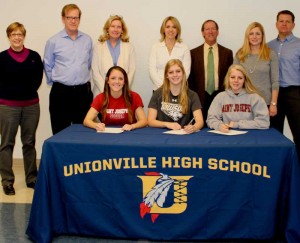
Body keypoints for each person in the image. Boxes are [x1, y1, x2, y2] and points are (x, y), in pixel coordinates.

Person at [0, 22, 43, 195]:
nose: (17, 37)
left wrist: (24, 91)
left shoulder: (34, 56)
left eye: (20, 34)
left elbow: (38, 80)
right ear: (8, 37)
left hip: (31, 106)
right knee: (6, 144)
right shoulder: (1, 58)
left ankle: (32, 178)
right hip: (8, 107)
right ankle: (7, 181)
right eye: (13, 34)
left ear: (24, 36)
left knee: (29, 143)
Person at [44, 4, 93, 135]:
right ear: (63, 18)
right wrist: (56, 82)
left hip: (83, 93)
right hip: (61, 93)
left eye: (76, 18)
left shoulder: (87, 40)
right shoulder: (53, 41)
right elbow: (48, 65)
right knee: (60, 132)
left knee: (84, 133)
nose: (73, 21)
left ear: (79, 19)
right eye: (69, 17)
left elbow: (88, 64)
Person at [268, 10, 300, 159]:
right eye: (281, 21)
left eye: (288, 21)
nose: (284, 24)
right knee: (274, 135)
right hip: (274, 94)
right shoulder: (268, 46)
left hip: (294, 93)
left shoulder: (299, 44)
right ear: (276, 24)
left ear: (293, 24)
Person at [188, 19, 233, 125]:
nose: (210, 31)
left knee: (220, 128)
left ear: (217, 32)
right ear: (202, 32)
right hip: (200, 98)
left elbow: (230, 77)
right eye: (207, 29)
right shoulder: (193, 53)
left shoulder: (227, 53)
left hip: (220, 96)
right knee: (200, 128)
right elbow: (191, 79)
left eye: (213, 29)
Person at [234, 22, 279, 127]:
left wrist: (273, 104)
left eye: (258, 34)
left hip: (265, 103)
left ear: (262, 36)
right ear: (247, 36)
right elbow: (233, 81)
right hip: (243, 103)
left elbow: (275, 81)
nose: (254, 37)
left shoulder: (270, 54)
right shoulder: (240, 54)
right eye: (251, 33)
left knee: (266, 138)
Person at [206, 64, 270, 132]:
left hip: (250, 136)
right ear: (228, 78)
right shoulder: (220, 97)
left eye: (240, 78)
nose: (236, 80)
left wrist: (237, 124)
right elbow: (211, 119)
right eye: (232, 77)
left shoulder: (255, 98)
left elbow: (264, 122)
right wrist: (218, 126)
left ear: (244, 80)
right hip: (227, 135)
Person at [148, 59, 204, 133]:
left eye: (178, 71)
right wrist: (167, 124)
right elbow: (150, 121)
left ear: (183, 73)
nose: (175, 75)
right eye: (171, 72)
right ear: (166, 76)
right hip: (161, 135)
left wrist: (194, 127)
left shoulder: (192, 95)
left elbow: (200, 121)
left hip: (184, 135)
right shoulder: (157, 94)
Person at [83, 66, 147, 131]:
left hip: (128, 134)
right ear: (107, 80)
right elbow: (86, 120)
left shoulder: (134, 96)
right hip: (107, 134)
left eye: (120, 79)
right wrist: (96, 125)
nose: (117, 81)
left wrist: (132, 126)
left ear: (124, 81)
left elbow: (144, 121)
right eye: (113, 78)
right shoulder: (100, 98)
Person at [92, 15, 135, 96]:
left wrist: (122, 89)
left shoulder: (129, 47)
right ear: (107, 28)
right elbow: (95, 71)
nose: (115, 29)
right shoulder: (98, 46)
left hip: (123, 92)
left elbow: (132, 70)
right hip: (101, 91)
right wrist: (105, 90)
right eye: (112, 26)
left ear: (122, 30)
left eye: (119, 27)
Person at [149, 16, 191, 91]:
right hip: (159, 89)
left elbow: (186, 71)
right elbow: (152, 70)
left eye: (174, 27)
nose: (171, 30)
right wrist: (163, 86)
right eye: (168, 27)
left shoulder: (184, 47)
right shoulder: (155, 47)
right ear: (163, 30)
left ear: (177, 30)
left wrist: (174, 86)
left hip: (178, 90)